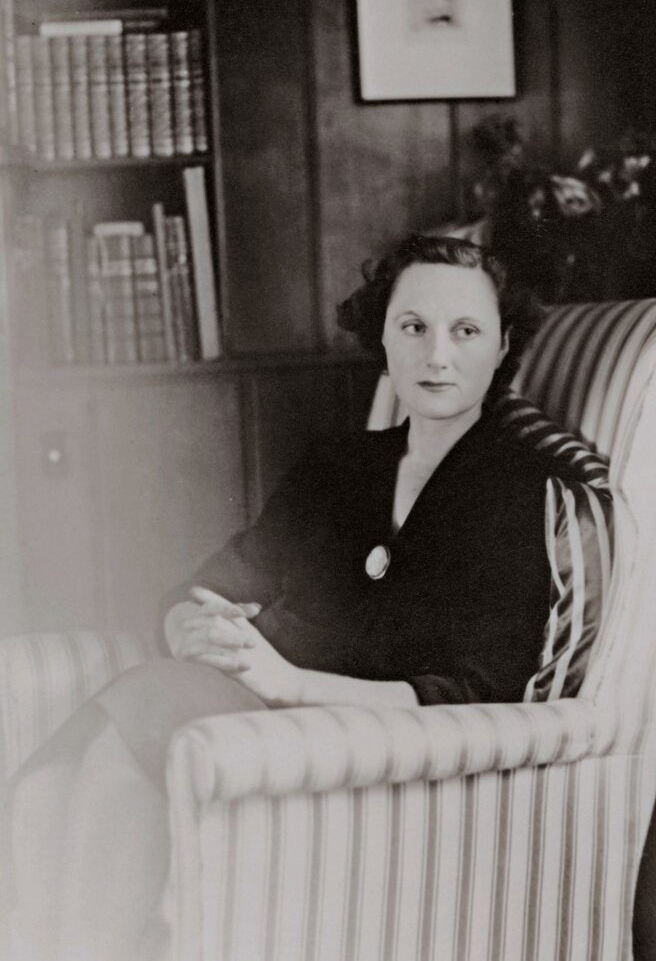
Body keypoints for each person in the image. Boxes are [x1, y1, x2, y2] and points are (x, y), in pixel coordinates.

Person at [4, 234, 563, 961]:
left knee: (110, 769)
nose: (437, 356)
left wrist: (288, 683)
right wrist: (190, 624)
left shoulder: (520, 494)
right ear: (382, 337)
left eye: (465, 331)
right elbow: (222, 577)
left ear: (503, 345)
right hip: (250, 701)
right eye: (413, 327)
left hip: (371, 745)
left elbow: (478, 689)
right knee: (43, 793)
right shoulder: (340, 463)